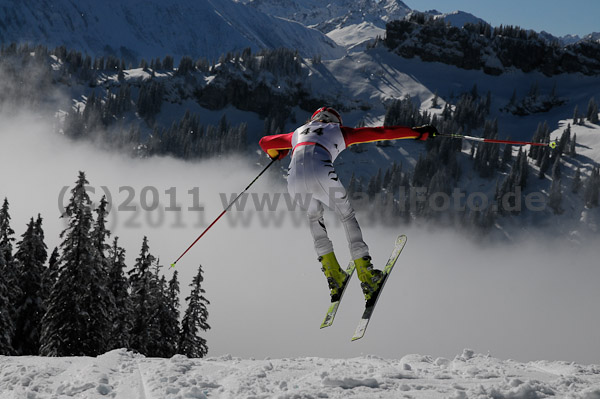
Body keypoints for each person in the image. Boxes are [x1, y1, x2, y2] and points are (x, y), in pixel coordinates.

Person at [259, 106, 437, 302]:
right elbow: (381, 132)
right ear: (336, 121)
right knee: (346, 215)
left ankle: (333, 275)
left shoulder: (296, 133)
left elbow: (264, 142)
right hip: (321, 173)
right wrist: (417, 133)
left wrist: (280, 152)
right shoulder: (340, 131)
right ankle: (367, 276)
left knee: (313, 218)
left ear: (313, 119)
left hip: (293, 181)